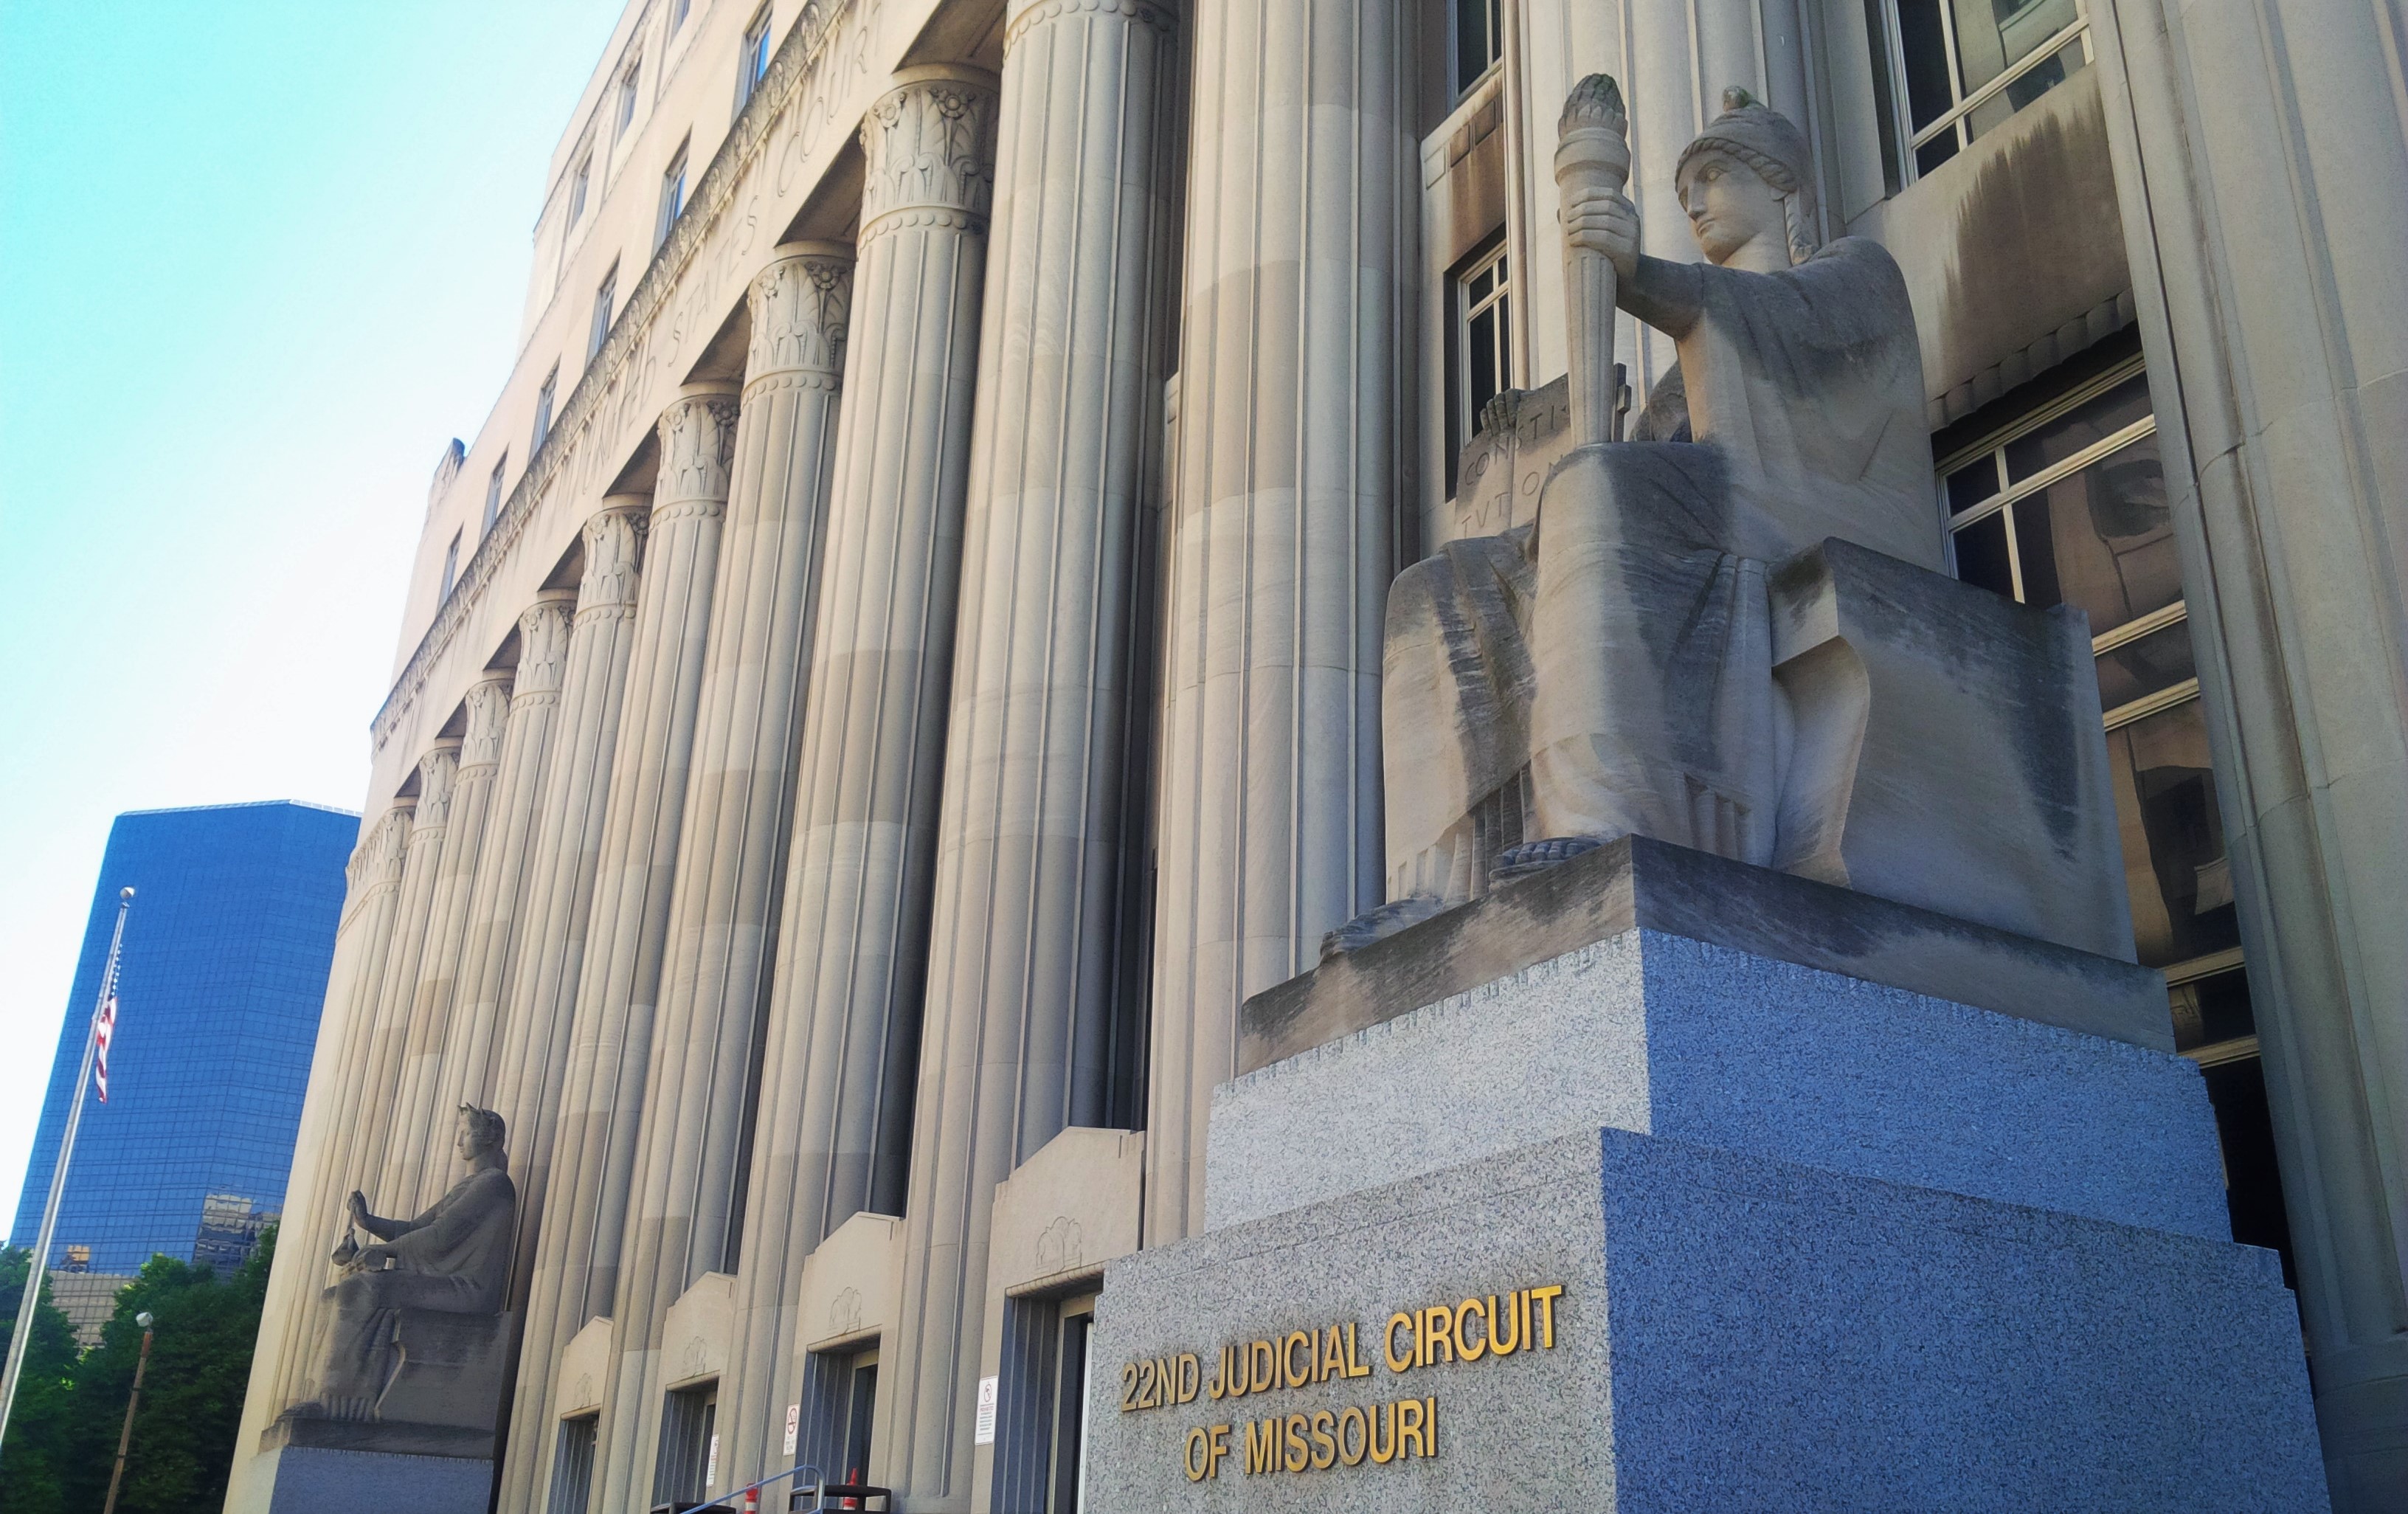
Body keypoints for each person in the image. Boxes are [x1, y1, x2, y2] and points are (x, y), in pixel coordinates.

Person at [1385, 86, 1937, 898]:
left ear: (1780, 184)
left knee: (1594, 488)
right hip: (1701, 523)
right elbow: (1632, 467)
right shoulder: (1682, 379)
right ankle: (1437, 893)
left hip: (1809, 508)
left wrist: (1639, 276)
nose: (1695, 203)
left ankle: (1600, 818)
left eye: (1712, 177)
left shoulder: (1856, 274)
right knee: (1429, 589)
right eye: (1684, 192)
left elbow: (1788, 334)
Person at [304, 1104, 517, 1420]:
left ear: (491, 1139)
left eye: (466, 1133)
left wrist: (385, 1251)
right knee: (332, 1295)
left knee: (361, 1289)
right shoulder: (470, 1186)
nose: (459, 1141)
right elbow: (416, 1228)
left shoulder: (494, 1184)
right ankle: (322, 1394)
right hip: (448, 1284)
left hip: (467, 1289)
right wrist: (368, 1222)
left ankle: (342, 1403)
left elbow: (440, 1235)